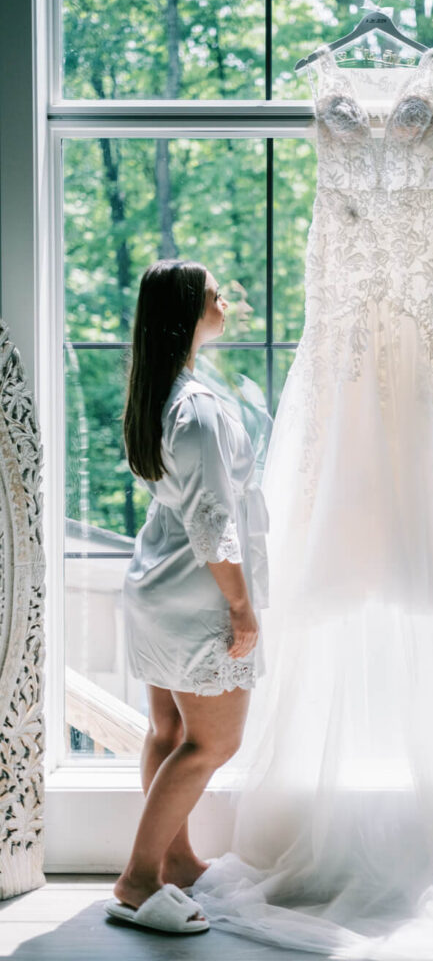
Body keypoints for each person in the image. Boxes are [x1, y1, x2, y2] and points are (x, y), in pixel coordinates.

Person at [103, 259, 269, 935]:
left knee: (170, 732)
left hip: (158, 588)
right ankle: (139, 880)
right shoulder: (194, 409)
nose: (223, 299)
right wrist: (242, 609)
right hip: (198, 598)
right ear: (186, 313)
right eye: (212, 294)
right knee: (211, 745)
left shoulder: (165, 393)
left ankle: (178, 862)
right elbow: (211, 523)